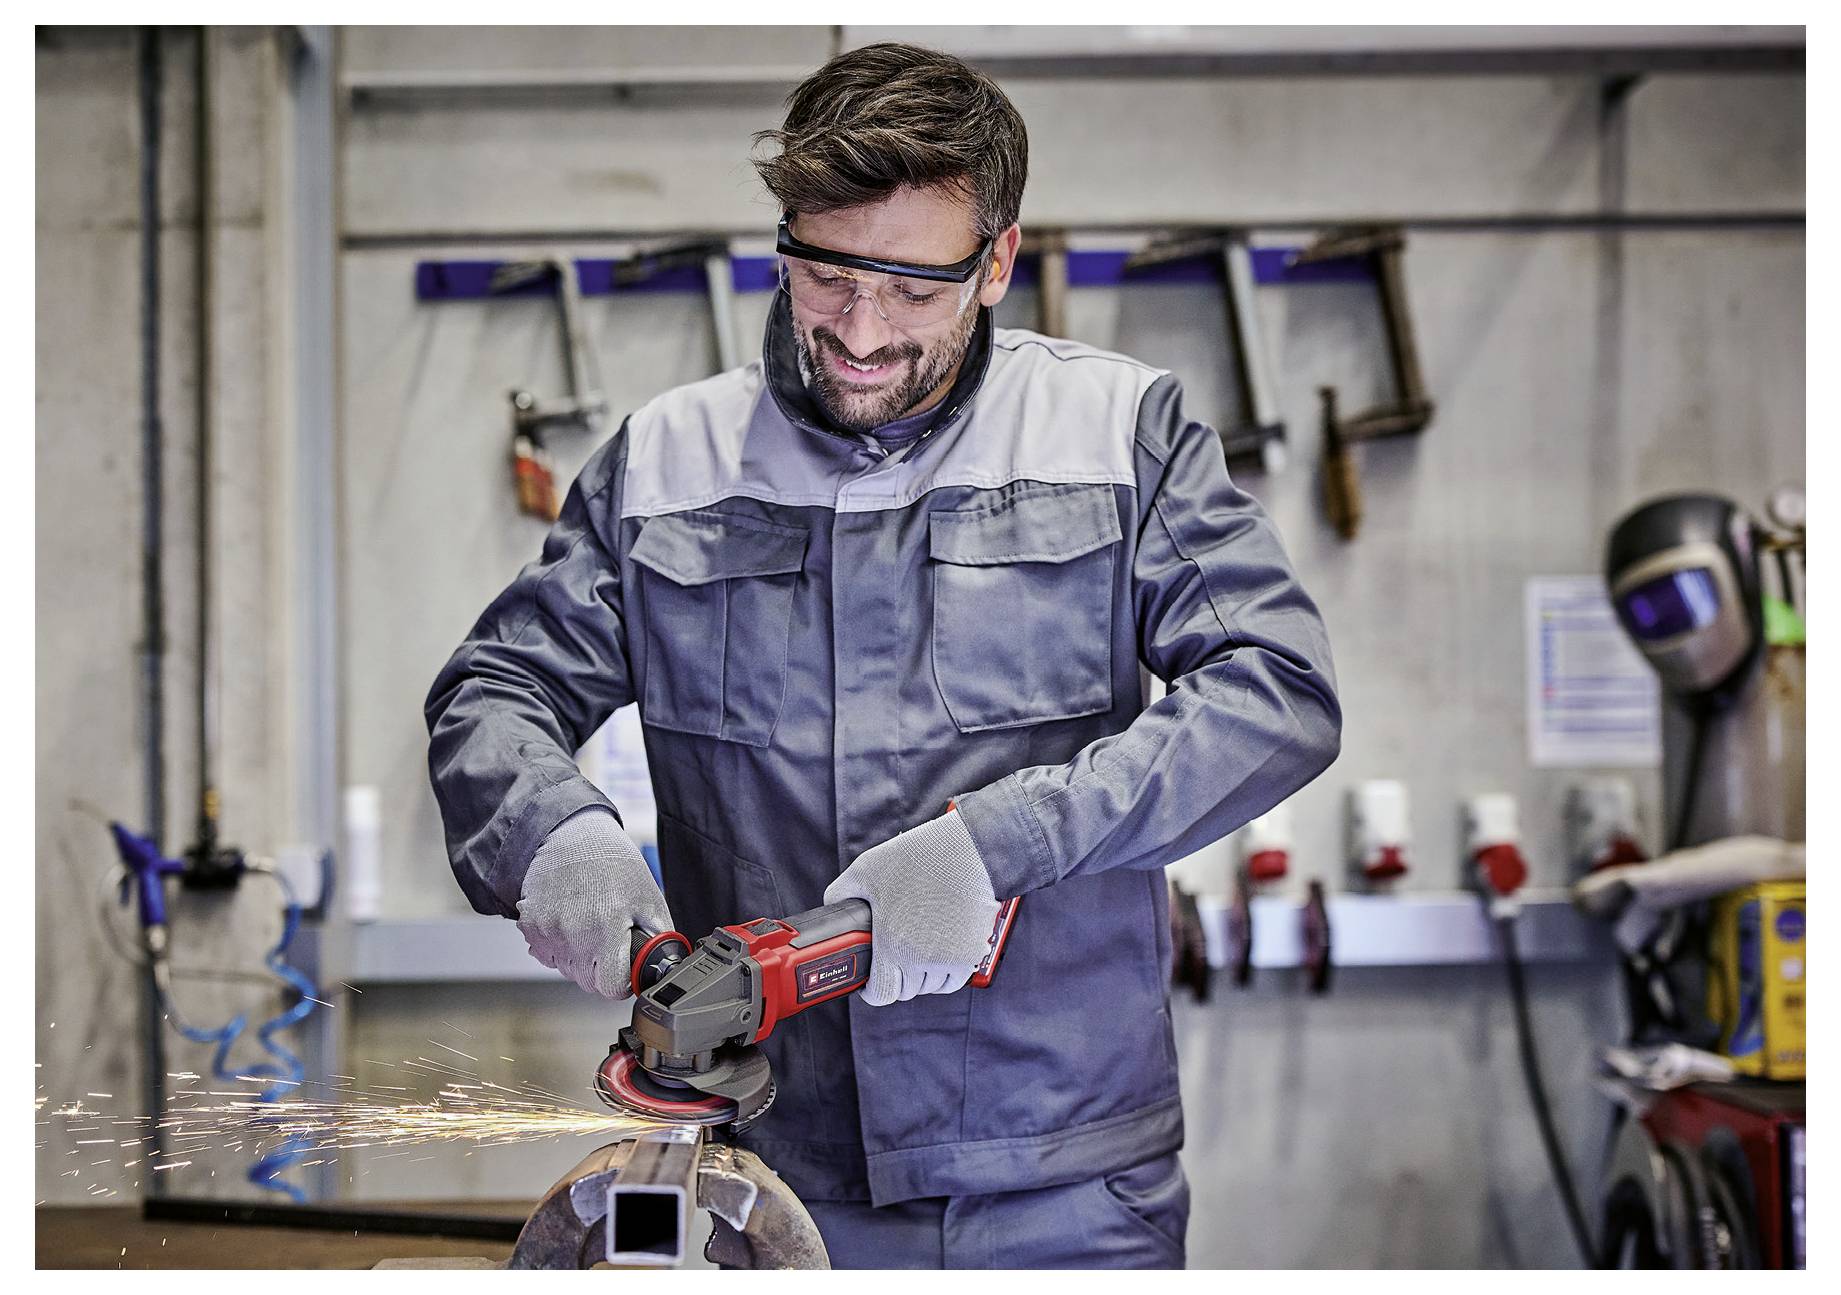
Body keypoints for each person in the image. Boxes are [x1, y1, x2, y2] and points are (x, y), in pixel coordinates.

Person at [425, 42, 1340, 1269]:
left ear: (995, 260)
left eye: (912, 286)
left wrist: (1000, 844)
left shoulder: (1115, 434)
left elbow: (1274, 689)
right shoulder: (666, 461)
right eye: (823, 273)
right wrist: (556, 840)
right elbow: (495, 690)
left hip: (1059, 1188)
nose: (858, 331)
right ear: (784, 237)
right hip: (769, 1175)